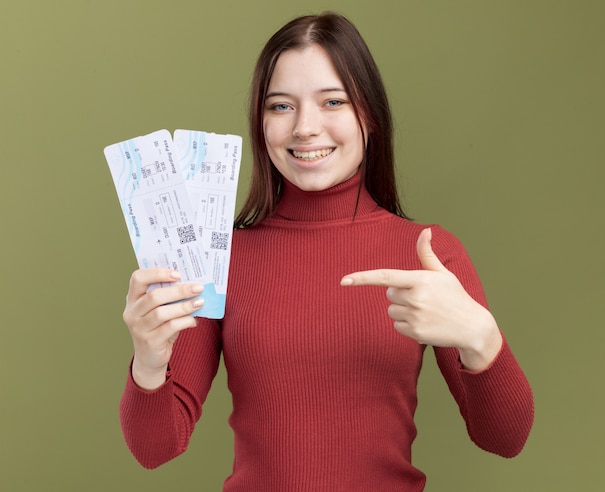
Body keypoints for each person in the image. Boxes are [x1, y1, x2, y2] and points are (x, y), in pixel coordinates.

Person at [119, 12, 534, 491]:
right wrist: (147, 361)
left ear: (370, 117)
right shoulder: (221, 258)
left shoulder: (426, 253)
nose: (305, 128)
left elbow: (506, 438)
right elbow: (155, 450)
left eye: (332, 101)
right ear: (260, 122)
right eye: (281, 107)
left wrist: (481, 339)